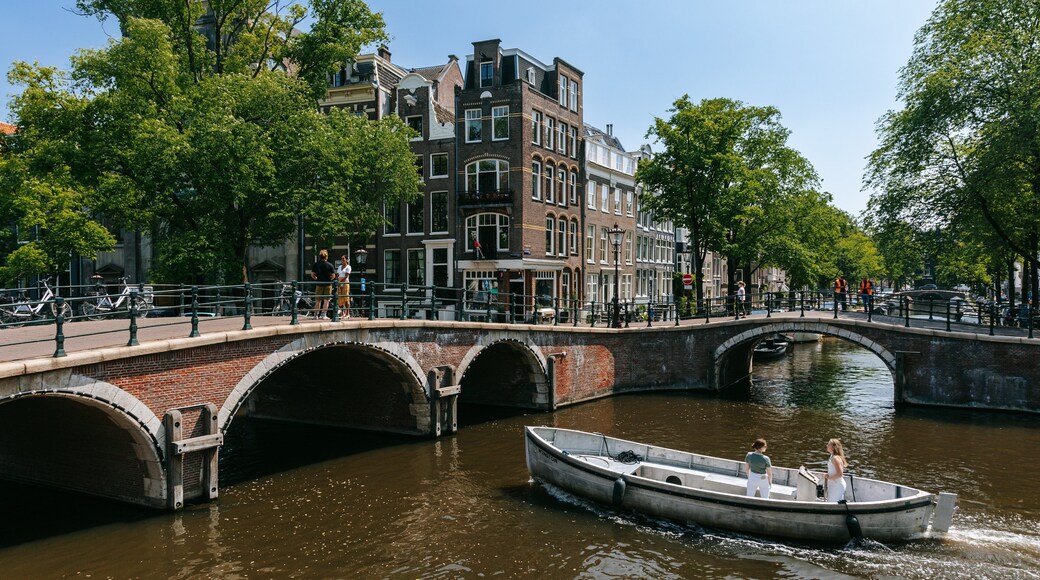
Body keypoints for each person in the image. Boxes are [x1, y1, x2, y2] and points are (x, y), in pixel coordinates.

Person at [310, 249, 335, 319]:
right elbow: (333, 276)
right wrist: (330, 279)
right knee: (326, 300)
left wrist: (316, 278)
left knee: (318, 300)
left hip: (319, 284)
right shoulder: (330, 265)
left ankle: (316, 315)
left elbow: (312, 274)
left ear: (320, 257)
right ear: (326, 257)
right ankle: (323, 315)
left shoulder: (316, 264)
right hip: (328, 284)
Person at [336, 254, 352, 318]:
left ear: (346, 260)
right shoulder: (340, 267)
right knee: (340, 298)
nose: (342, 260)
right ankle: (342, 313)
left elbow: (346, 276)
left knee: (346, 297)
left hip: (345, 283)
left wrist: (341, 281)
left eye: (343, 259)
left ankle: (347, 313)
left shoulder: (348, 267)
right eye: (341, 259)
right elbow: (337, 274)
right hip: (340, 283)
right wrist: (338, 281)